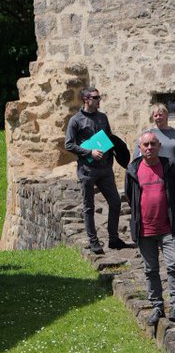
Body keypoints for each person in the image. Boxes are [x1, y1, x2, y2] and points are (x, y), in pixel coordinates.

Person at [125, 130, 175, 327]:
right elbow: (130, 196)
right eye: (146, 144)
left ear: (159, 147)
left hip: (167, 227)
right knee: (150, 270)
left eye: (153, 144)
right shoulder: (133, 170)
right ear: (140, 148)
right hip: (145, 229)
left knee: (174, 264)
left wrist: (172, 212)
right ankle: (157, 306)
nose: (150, 147)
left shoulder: (170, 167)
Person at [65, 86, 130, 254]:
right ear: (86, 99)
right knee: (89, 207)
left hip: (105, 169)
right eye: (95, 97)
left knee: (115, 203)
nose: (99, 100)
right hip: (87, 170)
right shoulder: (75, 120)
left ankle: (114, 239)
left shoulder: (103, 117)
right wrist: (89, 152)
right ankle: (93, 241)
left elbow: (108, 139)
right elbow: (69, 144)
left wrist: (115, 157)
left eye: (99, 97)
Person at [138, 103, 175, 174]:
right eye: (155, 115)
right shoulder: (147, 135)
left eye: (160, 115)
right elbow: (138, 156)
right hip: (156, 175)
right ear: (153, 118)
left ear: (166, 115)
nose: (158, 117)